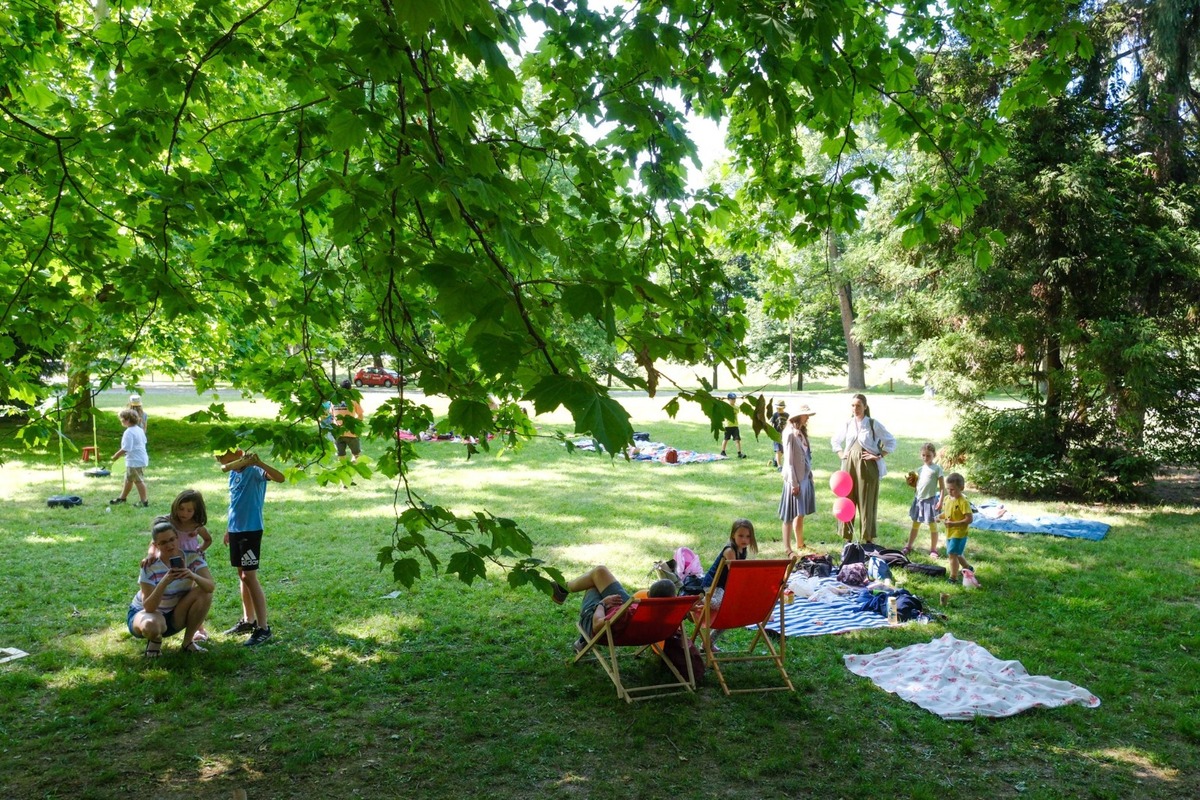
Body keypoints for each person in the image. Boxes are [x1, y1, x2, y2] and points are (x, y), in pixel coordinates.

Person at [217, 450, 285, 646]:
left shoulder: (255, 471)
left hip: (251, 530)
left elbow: (280, 478)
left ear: (240, 455)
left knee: (249, 576)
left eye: (231, 462)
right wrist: (229, 528)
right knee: (241, 575)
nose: (229, 466)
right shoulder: (233, 474)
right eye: (225, 463)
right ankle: (248, 620)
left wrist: (260, 462)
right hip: (236, 530)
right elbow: (235, 503)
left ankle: (263, 628)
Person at [127, 518, 215, 656]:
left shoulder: (193, 558)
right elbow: (149, 607)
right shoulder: (150, 566)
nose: (169, 545)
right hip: (147, 614)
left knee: (204, 593)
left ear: (177, 538)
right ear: (156, 545)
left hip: (175, 614)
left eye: (172, 539)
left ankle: (188, 643)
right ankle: (155, 640)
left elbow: (210, 587)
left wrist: (192, 575)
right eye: (163, 542)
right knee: (153, 626)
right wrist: (165, 581)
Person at [551, 566, 677, 652]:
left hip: (609, 627)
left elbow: (596, 626)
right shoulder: (677, 610)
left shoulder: (626, 613)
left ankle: (562, 589)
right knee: (600, 572)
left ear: (648, 595)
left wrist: (602, 604)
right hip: (639, 621)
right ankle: (562, 588)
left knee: (594, 584)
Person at [830, 393, 896, 543]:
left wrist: (878, 455)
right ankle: (848, 538)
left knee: (867, 501)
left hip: (867, 467)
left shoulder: (872, 424)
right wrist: (841, 454)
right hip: (849, 467)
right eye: (853, 406)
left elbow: (891, 442)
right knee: (848, 499)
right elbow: (835, 441)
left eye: (858, 405)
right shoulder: (848, 424)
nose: (855, 408)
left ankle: (868, 539)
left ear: (865, 407)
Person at [779, 406, 817, 556]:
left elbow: (805, 456)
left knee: (800, 512)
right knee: (789, 514)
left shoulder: (800, 431)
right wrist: (794, 483)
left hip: (804, 477)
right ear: (799, 415)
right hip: (794, 479)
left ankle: (800, 543)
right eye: (806, 415)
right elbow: (788, 462)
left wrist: (809, 475)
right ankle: (787, 548)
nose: (808, 418)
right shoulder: (789, 433)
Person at [903, 443, 946, 557]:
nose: (925, 458)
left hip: (930, 501)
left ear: (934, 455)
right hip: (918, 500)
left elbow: (942, 487)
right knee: (915, 524)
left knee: (932, 525)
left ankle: (933, 549)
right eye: (923, 455)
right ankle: (909, 546)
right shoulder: (920, 469)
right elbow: (918, 486)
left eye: (928, 455)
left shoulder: (937, 469)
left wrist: (940, 501)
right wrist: (912, 483)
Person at [938, 473, 975, 582]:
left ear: (961, 488)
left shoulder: (963, 502)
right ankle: (968, 568)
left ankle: (953, 577)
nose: (949, 491)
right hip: (950, 532)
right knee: (957, 553)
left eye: (953, 489)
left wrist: (954, 524)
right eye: (948, 489)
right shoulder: (947, 499)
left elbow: (969, 519)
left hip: (959, 532)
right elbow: (947, 513)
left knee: (952, 554)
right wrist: (938, 517)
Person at [109, 408, 149, 507]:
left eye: (122, 419)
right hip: (140, 459)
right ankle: (122, 498)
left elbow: (127, 448)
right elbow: (144, 442)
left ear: (127, 420)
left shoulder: (129, 432)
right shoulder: (139, 430)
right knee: (128, 479)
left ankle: (144, 501)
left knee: (138, 480)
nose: (121, 421)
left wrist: (116, 455)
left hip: (135, 461)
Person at [332, 379, 365, 464]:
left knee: (341, 455)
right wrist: (354, 424)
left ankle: (343, 470)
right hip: (351, 433)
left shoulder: (334, 400)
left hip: (338, 432)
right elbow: (361, 416)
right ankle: (353, 468)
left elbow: (332, 415)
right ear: (350, 389)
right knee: (356, 454)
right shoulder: (353, 400)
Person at [719, 392, 746, 458]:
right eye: (732, 399)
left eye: (734, 399)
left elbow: (734, 410)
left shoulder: (736, 407)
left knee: (737, 440)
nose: (734, 400)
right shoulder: (725, 406)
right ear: (729, 399)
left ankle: (739, 453)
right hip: (728, 426)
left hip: (735, 426)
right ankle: (723, 451)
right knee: (726, 439)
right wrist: (720, 401)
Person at [769, 400, 787, 470]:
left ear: (783, 408)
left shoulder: (787, 415)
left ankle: (775, 459)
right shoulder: (775, 415)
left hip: (784, 435)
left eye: (780, 408)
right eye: (777, 408)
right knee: (778, 450)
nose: (778, 410)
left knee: (783, 451)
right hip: (776, 436)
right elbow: (771, 423)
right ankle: (779, 466)